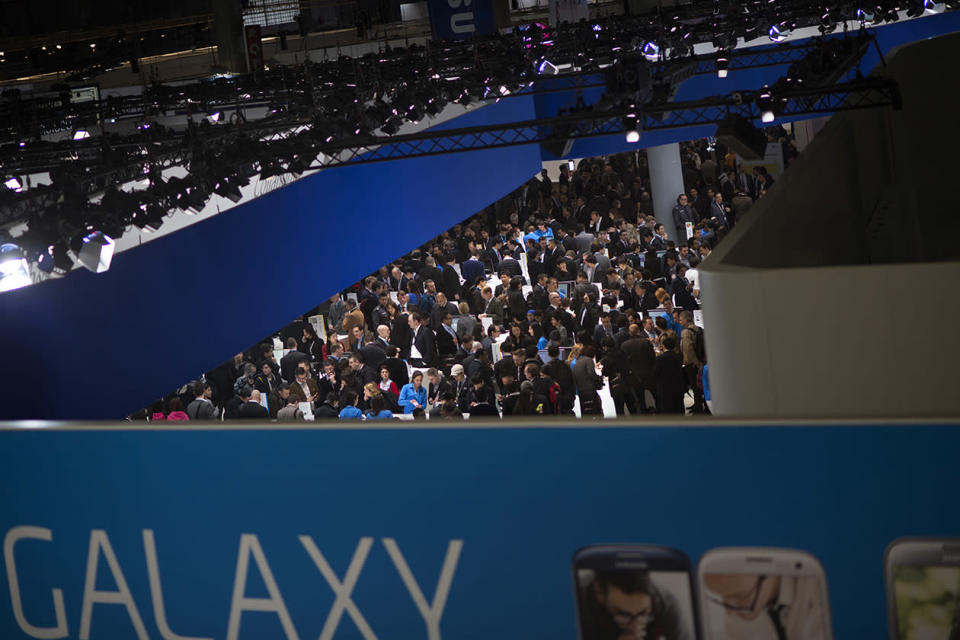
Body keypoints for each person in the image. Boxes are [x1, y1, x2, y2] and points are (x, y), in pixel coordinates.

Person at [702, 573, 827, 640]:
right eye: (721, 597)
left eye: (738, 596)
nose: (728, 612)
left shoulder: (821, 593)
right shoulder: (740, 611)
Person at [579, 570, 691, 640]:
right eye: (623, 615)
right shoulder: (575, 602)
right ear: (599, 592)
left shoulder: (667, 604)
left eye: (643, 613)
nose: (635, 627)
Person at [653, 334, 686, 414]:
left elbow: (655, 372)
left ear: (663, 346)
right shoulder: (679, 356)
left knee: (667, 409)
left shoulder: (660, 358)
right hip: (678, 386)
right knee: (679, 407)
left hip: (665, 388)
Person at [573, 344, 603, 416]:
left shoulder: (577, 363)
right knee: (597, 410)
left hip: (581, 391)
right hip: (590, 390)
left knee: (586, 411)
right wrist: (599, 378)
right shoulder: (588, 360)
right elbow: (591, 374)